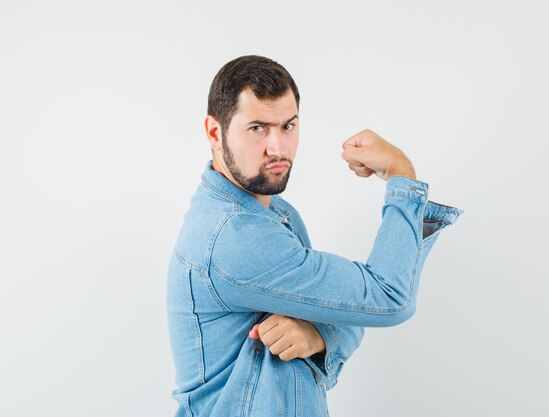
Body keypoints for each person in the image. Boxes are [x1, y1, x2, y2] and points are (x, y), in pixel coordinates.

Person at [167, 54, 463, 417]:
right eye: (258, 128)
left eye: (288, 126)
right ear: (215, 132)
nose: (278, 148)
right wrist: (402, 176)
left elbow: (350, 308)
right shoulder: (233, 236)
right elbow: (388, 297)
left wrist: (320, 335)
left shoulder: (277, 214)